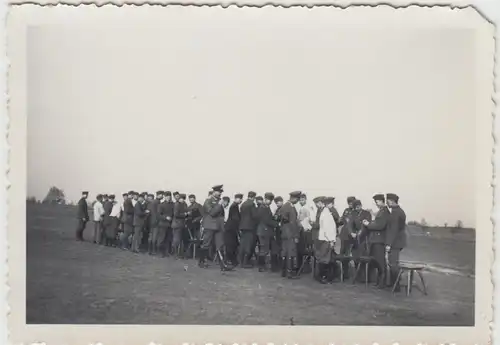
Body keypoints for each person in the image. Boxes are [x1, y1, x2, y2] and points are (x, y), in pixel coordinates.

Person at [362, 194, 390, 288]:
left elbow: (380, 225)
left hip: (379, 240)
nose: (376, 204)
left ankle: (382, 282)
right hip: (376, 240)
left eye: (377, 202)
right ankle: (379, 281)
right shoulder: (381, 212)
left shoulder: (384, 212)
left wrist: (368, 224)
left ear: (382, 201)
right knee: (377, 262)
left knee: (381, 262)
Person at [199, 185, 228, 270]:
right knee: (206, 244)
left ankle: (223, 265)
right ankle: (201, 261)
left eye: (220, 192)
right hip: (210, 226)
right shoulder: (208, 201)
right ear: (214, 192)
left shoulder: (219, 201)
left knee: (220, 245)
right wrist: (219, 205)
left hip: (218, 227)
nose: (219, 194)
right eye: (218, 192)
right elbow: (212, 213)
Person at [386, 193, 407, 290]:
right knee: (393, 262)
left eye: (387, 200)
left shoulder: (395, 213)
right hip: (398, 241)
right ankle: (393, 283)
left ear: (391, 201)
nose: (387, 202)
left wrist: (389, 244)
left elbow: (393, 230)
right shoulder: (399, 211)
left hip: (395, 242)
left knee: (393, 263)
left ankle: (396, 285)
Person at [314, 197, 337, 283]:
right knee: (325, 259)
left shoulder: (325, 213)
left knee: (325, 258)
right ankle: (322, 277)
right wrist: (331, 240)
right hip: (326, 239)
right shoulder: (326, 214)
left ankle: (322, 276)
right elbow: (328, 229)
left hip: (324, 239)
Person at [280, 191, 302, 279]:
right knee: (291, 253)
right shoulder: (291, 208)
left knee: (284, 252)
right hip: (290, 233)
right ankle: (290, 272)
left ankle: (283, 271)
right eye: (297, 199)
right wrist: (296, 235)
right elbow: (293, 223)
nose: (297, 201)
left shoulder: (284, 206)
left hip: (284, 232)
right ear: (294, 198)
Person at [256, 192, 279, 272]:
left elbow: (268, 218)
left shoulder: (266, 207)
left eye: (271, 200)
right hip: (264, 231)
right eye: (269, 200)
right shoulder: (262, 208)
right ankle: (261, 266)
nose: (270, 202)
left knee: (272, 249)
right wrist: (277, 224)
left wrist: (273, 217)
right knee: (264, 250)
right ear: (265, 199)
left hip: (267, 231)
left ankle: (272, 266)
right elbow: (266, 220)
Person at [238, 191, 258, 268]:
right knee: (248, 245)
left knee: (243, 244)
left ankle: (240, 261)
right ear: (253, 197)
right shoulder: (252, 204)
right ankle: (245, 263)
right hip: (250, 227)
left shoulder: (243, 204)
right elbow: (254, 216)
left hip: (243, 226)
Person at [224, 193, 242, 265]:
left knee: (232, 245)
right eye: (240, 199)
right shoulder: (234, 206)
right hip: (231, 228)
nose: (241, 200)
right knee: (231, 245)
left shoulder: (234, 206)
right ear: (236, 199)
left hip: (231, 228)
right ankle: (230, 260)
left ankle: (231, 260)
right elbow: (235, 218)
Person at [297, 193, 312, 274]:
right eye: (300, 200)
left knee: (307, 249)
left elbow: (308, 219)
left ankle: (307, 266)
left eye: (302, 200)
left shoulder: (307, 208)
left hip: (306, 230)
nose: (301, 201)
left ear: (305, 200)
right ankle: (301, 266)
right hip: (301, 230)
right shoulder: (300, 208)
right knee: (300, 249)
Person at [157, 191, 174, 257]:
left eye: (169, 196)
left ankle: (166, 252)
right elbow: (158, 215)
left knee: (168, 239)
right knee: (162, 239)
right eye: (167, 196)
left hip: (170, 225)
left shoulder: (173, 204)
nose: (168, 198)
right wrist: (165, 217)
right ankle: (161, 252)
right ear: (165, 197)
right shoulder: (161, 205)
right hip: (163, 224)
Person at [172, 193, 189, 258]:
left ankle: (179, 254)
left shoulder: (184, 204)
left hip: (181, 224)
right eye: (181, 199)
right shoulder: (177, 204)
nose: (182, 200)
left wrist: (187, 213)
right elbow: (176, 214)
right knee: (176, 240)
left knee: (180, 240)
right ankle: (175, 254)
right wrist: (185, 214)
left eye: (183, 199)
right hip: (177, 224)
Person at [271, 196, 284, 272]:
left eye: (278, 202)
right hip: (277, 231)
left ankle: (278, 265)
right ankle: (276, 266)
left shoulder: (283, 209)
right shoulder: (277, 210)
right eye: (276, 203)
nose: (277, 204)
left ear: (282, 201)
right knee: (277, 249)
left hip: (281, 231)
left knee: (280, 249)